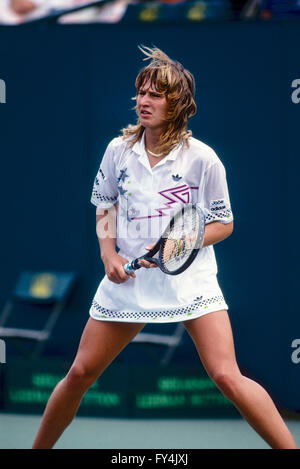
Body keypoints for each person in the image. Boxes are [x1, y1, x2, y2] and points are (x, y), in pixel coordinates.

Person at [32, 46, 297, 449]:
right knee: (81, 373)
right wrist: (109, 255)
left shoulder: (204, 159)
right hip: (130, 282)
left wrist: (181, 244)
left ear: (177, 104)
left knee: (227, 375)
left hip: (192, 282)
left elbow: (224, 224)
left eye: (155, 95)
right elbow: (106, 206)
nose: (143, 101)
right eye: (141, 93)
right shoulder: (117, 151)